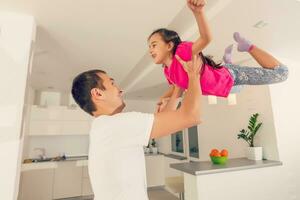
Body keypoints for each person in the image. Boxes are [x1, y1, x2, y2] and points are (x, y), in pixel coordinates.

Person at [71, 55, 203, 200]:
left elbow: (166, 124)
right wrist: (194, 75)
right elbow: (192, 116)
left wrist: (178, 86)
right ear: (98, 93)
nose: (120, 90)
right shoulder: (116, 124)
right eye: (112, 83)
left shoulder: (104, 126)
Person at [148, 0, 289, 112]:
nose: (150, 50)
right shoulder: (168, 71)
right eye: (149, 47)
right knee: (239, 89)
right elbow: (175, 89)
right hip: (223, 85)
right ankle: (228, 61)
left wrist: (198, 12)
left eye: (153, 45)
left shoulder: (181, 53)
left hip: (232, 76)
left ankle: (248, 46)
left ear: (169, 45)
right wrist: (162, 99)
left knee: (282, 73)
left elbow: (205, 38)